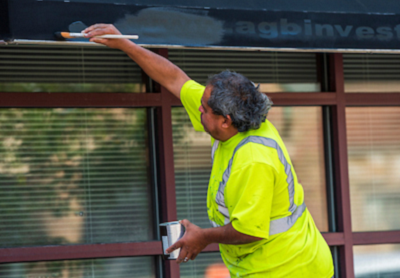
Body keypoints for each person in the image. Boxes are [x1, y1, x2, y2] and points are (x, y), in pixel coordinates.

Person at [84, 24, 334, 278]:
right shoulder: (238, 120)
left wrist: (202, 237)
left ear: (225, 120)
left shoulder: (254, 160)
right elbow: (175, 79)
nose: (198, 109)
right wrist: (126, 44)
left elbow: (249, 231)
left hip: (290, 269)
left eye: (204, 108)